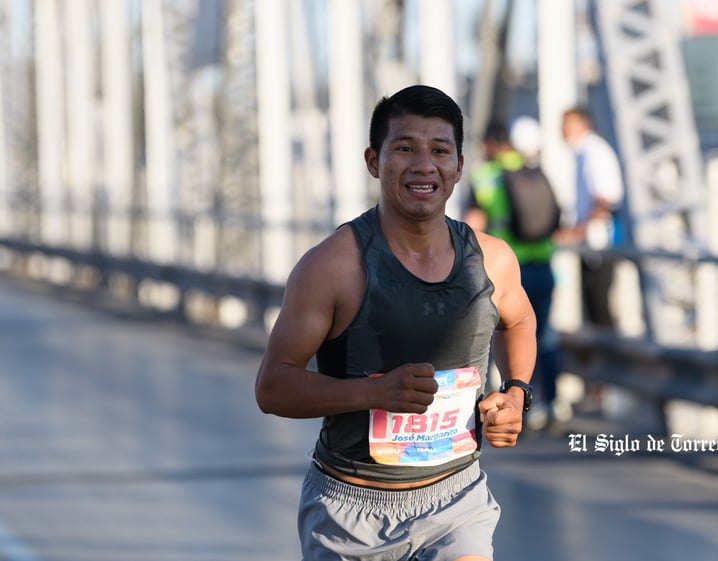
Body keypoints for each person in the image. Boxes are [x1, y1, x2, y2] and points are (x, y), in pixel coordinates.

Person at [255, 84, 537, 561]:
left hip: (456, 497)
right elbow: (273, 387)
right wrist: (372, 393)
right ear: (373, 161)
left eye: (439, 150)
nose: (423, 164)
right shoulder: (332, 267)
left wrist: (516, 392)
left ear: (459, 166)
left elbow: (520, 320)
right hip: (350, 511)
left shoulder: (493, 259)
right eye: (404, 148)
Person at [464, 118, 563, 432]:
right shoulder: (536, 170)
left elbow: (472, 223)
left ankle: (502, 401)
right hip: (544, 266)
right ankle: (550, 404)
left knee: (498, 336)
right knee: (543, 335)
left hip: (505, 273)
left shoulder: (488, 175)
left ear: (492, 143)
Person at [558, 105, 625, 330]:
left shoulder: (594, 152)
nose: (561, 130)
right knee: (592, 298)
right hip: (591, 237)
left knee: (599, 298)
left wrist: (579, 230)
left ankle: (610, 356)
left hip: (601, 238)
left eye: (565, 124)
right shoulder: (583, 153)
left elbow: (605, 199)